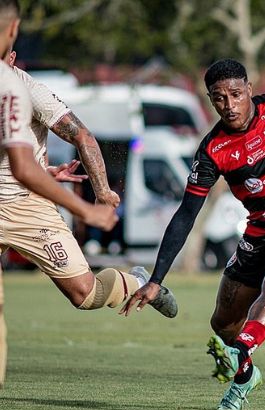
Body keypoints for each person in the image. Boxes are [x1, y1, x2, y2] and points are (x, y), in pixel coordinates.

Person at [122, 58, 265, 410]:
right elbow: (187, 214)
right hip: (259, 233)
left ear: (249, 89)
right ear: (210, 100)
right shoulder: (212, 151)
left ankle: (243, 350)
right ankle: (246, 376)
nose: (229, 105)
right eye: (219, 98)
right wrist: (156, 278)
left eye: (236, 94)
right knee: (223, 321)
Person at [0, 0, 177, 388]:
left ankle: (135, 282)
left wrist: (102, 196)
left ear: (12, 52)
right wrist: (45, 170)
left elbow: (82, 135)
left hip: (28, 207)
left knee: (84, 294)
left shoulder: (26, 91)